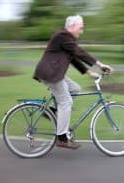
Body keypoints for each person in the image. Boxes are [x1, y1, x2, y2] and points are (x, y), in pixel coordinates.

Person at [33, 15, 113, 149]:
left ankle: (52, 111)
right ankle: (62, 138)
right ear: (71, 26)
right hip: (50, 73)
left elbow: (74, 59)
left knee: (75, 88)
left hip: (55, 73)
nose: (81, 32)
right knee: (66, 101)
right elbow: (79, 52)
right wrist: (100, 65)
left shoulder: (66, 39)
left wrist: (90, 73)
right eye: (80, 28)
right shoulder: (62, 36)